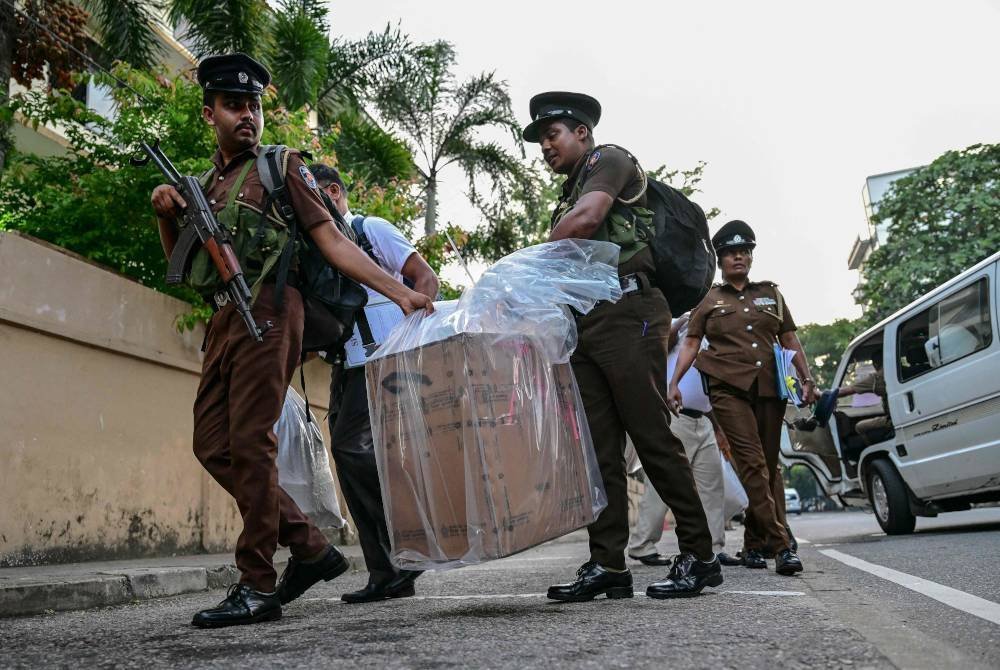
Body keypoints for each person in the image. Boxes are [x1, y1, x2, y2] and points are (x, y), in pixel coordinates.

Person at [149, 54, 433, 628]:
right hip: (225, 318)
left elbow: (331, 240)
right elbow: (183, 269)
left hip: (272, 312)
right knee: (213, 444)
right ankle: (309, 546)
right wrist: (165, 213)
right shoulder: (204, 185)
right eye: (233, 105)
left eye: (253, 104)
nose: (246, 115)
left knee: (251, 443)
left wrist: (398, 291)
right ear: (211, 114)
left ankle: (257, 585)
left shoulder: (282, 167)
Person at [522, 91, 721, 601]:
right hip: (587, 321)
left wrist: (525, 261)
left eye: (552, 134)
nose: (546, 146)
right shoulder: (567, 192)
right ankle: (608, 563)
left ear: (581, 132)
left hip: (629, 311)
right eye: (541, 139)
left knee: (651, 434)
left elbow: (587, 223)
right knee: (598, 450)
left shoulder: (608, 160)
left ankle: (699, 555)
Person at [309, 163, 439, 603]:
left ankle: (411, 543)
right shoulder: (320, 245)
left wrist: (414, 336)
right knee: (347, 459)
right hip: (347, 363)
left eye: (311, 194)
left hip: (384, 359)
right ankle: (386, 572)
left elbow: (425, 278)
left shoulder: (370, 229)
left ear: (332, 191)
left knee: (350, 448)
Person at [669, 220, 817, 576]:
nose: (738, 257)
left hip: (768, 387)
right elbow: (690, 343)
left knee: (767, 467)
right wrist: (674, 382)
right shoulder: (709, 299)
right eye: (731, 253)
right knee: (751, 463)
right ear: (720, 259)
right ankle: (780, 546)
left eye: (744, 251)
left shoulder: (771, 295)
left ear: (751, 256)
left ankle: (753, 542)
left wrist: (807, 377)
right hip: (726, 389)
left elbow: (790, 340)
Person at [627, 314, 742, 567]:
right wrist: (684, 322)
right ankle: (642, 545)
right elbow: (660, 343)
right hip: (674, 416)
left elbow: (706, 388)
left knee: (712, 486)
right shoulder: (680, 325)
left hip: (703, 419)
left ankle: (713, 546)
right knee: (665, 482)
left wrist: (719, 429)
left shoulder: (711, 336)